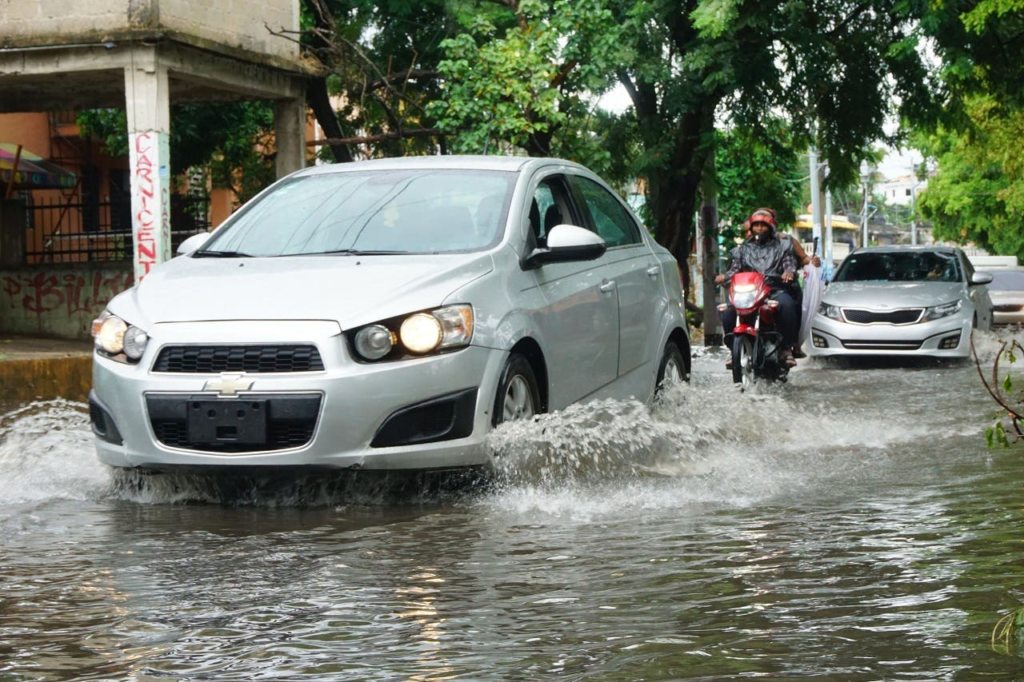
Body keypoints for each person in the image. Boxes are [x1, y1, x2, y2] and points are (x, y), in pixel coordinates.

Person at [716, 209, 801, 367]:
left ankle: (786, 349)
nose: (759, 229)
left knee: (787, 305)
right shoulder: (742, 250)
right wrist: (725, 276)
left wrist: (788, 273)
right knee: (727, 310)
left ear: (771, 228)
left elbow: (789, 265)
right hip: (748, 292)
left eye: (763, 226)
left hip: (774, 291)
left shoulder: (782, 247)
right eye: (756, 226)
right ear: (751, 228)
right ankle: (733, 349)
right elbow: (734, 270)